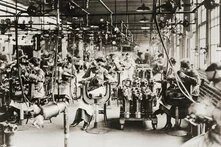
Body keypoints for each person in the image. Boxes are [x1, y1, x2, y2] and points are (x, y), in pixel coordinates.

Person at [181, 62, 221, 147]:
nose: (212, 85)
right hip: (214, 136)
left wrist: (208, 112)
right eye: (210, 81)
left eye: (215, 80)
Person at [70, 57, 115, 131]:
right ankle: (78, 119)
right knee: (83, 100)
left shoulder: (104, 71)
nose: (98, 65)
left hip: (99, 89)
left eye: (100, 64)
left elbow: (111, 79)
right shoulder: (91, 70)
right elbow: (83, 77)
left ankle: (86, 122)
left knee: (87, 100)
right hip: (90, 89)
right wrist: (87, 76)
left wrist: (105, 81)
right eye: (96, 63)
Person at [162, 58, 200, 130]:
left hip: (191, 96)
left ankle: (181, 124)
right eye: (181, 67)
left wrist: (185, 76)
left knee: (172, 103)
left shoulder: (193, 72)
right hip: (183, 92)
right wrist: (172, 78)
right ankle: (168, 123)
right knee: (167, 99)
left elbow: (196, 82)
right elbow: (177, 78)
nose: (181, 69)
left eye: (183, 68)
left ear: (187, 68)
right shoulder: (181, 72)